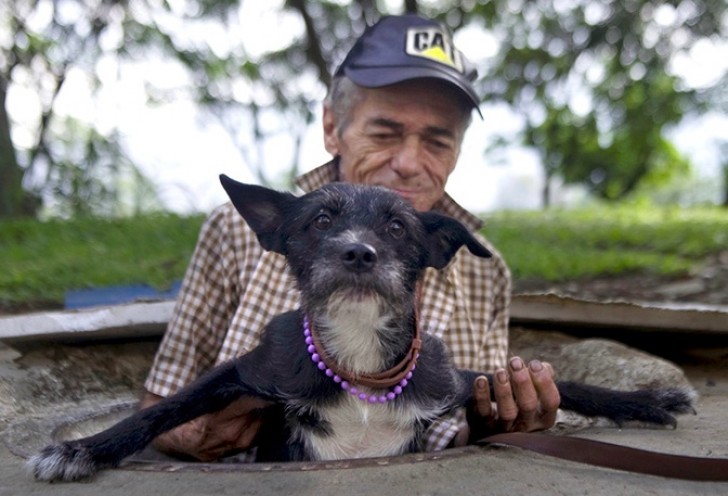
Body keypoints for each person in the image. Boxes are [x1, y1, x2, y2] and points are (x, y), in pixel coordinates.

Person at [140, 14, 560, 462]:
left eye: (437, 142)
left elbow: (456, 436)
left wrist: (496, 424)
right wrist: (198, 435)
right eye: (384, 133)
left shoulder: (484, 267)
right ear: (331, 128)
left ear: (458, 149)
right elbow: (160, 404)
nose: (407, 163)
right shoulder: (237, 229)